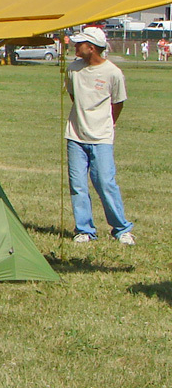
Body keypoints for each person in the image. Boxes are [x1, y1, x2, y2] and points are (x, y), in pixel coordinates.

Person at [65, 27, 135, 245]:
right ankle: (84, 229)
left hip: (102, 138)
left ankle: (121, 228)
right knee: (78, 186)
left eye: (80, 44)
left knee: (105, 183)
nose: (75, 47)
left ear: (92, 47)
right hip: (75, 136)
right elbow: (73, 95)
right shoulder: (73, 69)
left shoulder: (113, 73)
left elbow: (118, 103)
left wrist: (107, 124)